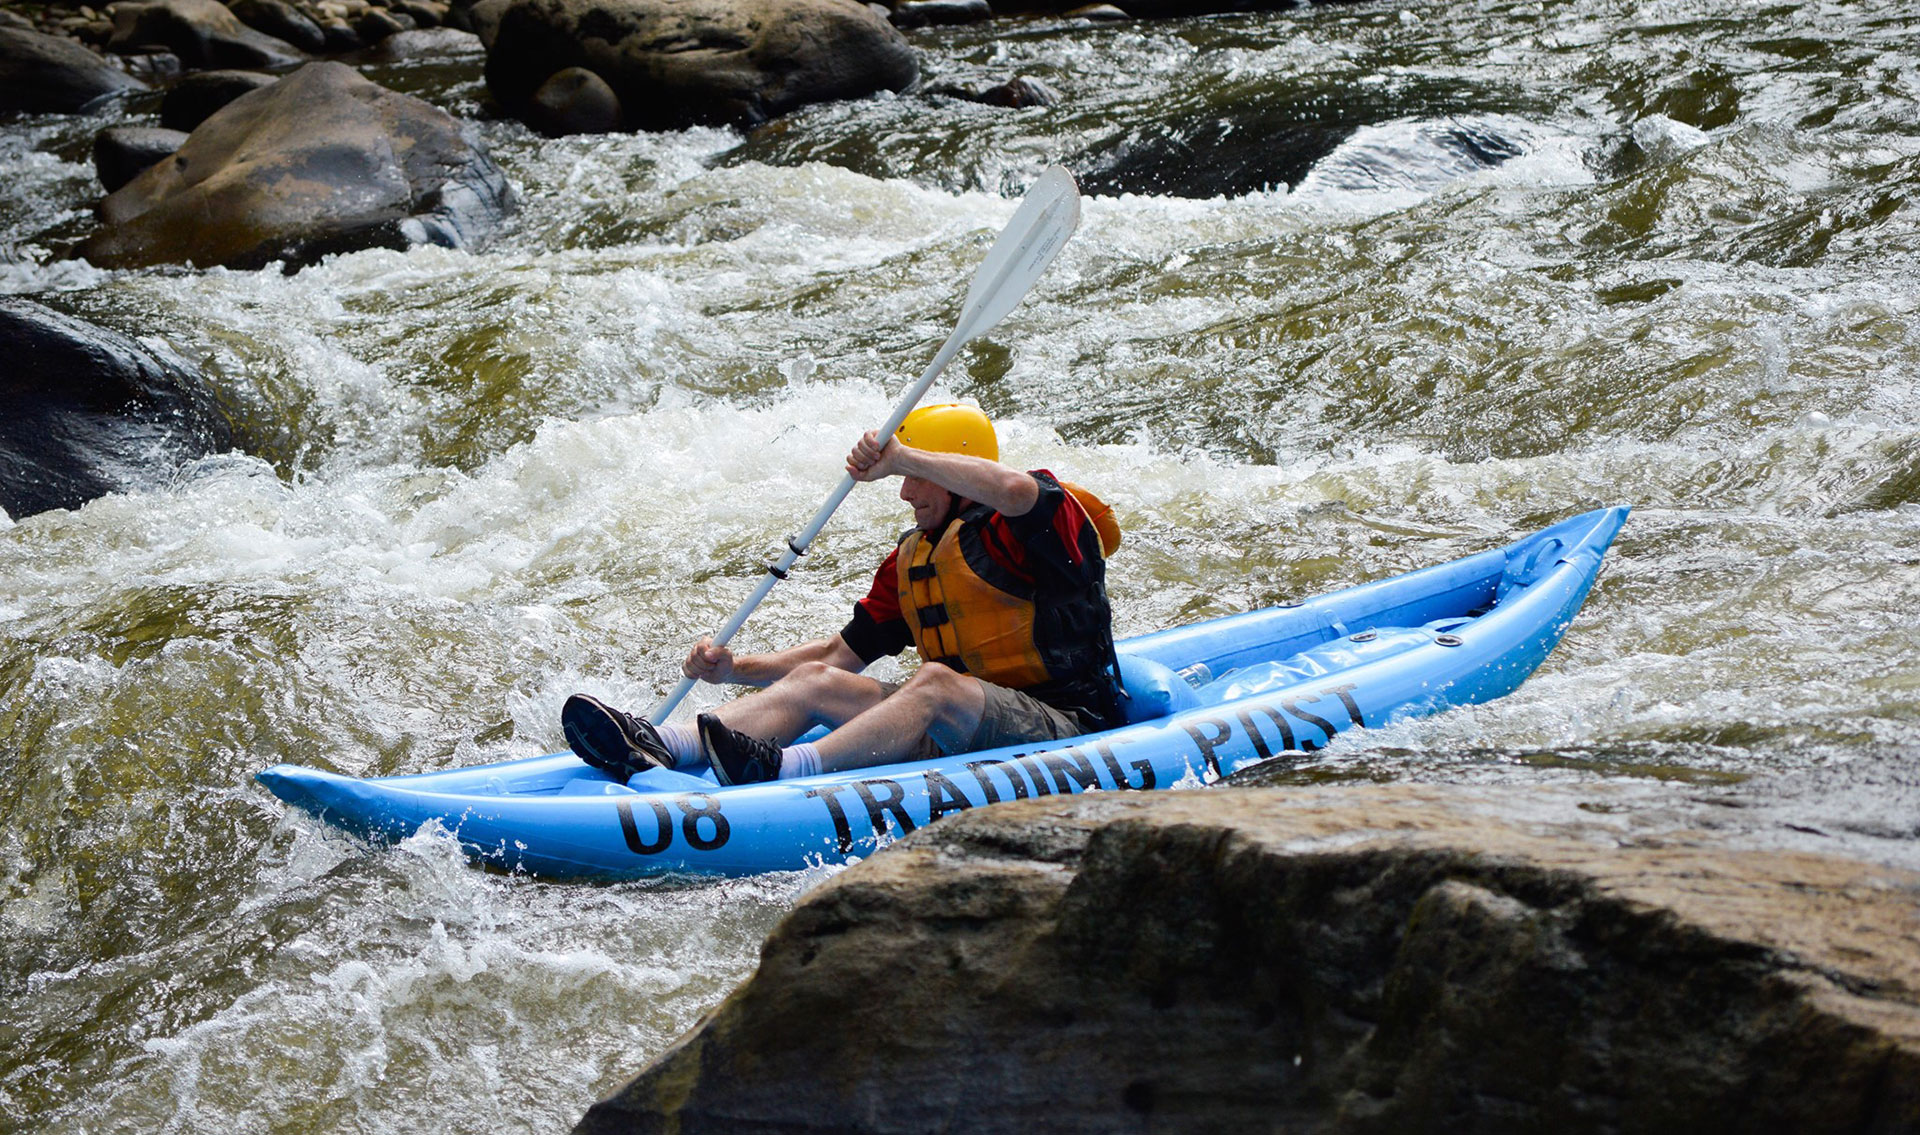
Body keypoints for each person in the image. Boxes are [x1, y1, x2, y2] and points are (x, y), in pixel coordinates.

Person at [561, 402, 1124, 786]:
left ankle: (785, 771)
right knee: (816, 681)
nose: (904, 492)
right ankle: (662, 744)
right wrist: (733, 668)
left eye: (916, 476)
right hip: (965, 730)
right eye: (903, 475)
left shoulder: (1038, 528)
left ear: (953, 471)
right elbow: (836, 657)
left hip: (1067, 726)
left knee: (933, 683)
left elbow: (1016, 488)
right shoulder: (915, 558)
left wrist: (900, 455)